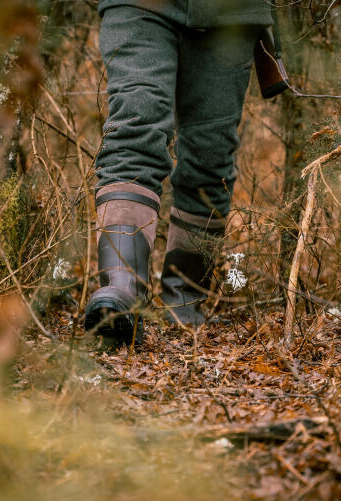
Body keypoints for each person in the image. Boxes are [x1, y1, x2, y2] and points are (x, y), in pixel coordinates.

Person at [84, 0, 274, 343]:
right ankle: (122, 289)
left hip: (231, 13)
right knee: (134, 130)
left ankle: (185, 305)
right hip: (139, 6)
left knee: (211, 157)